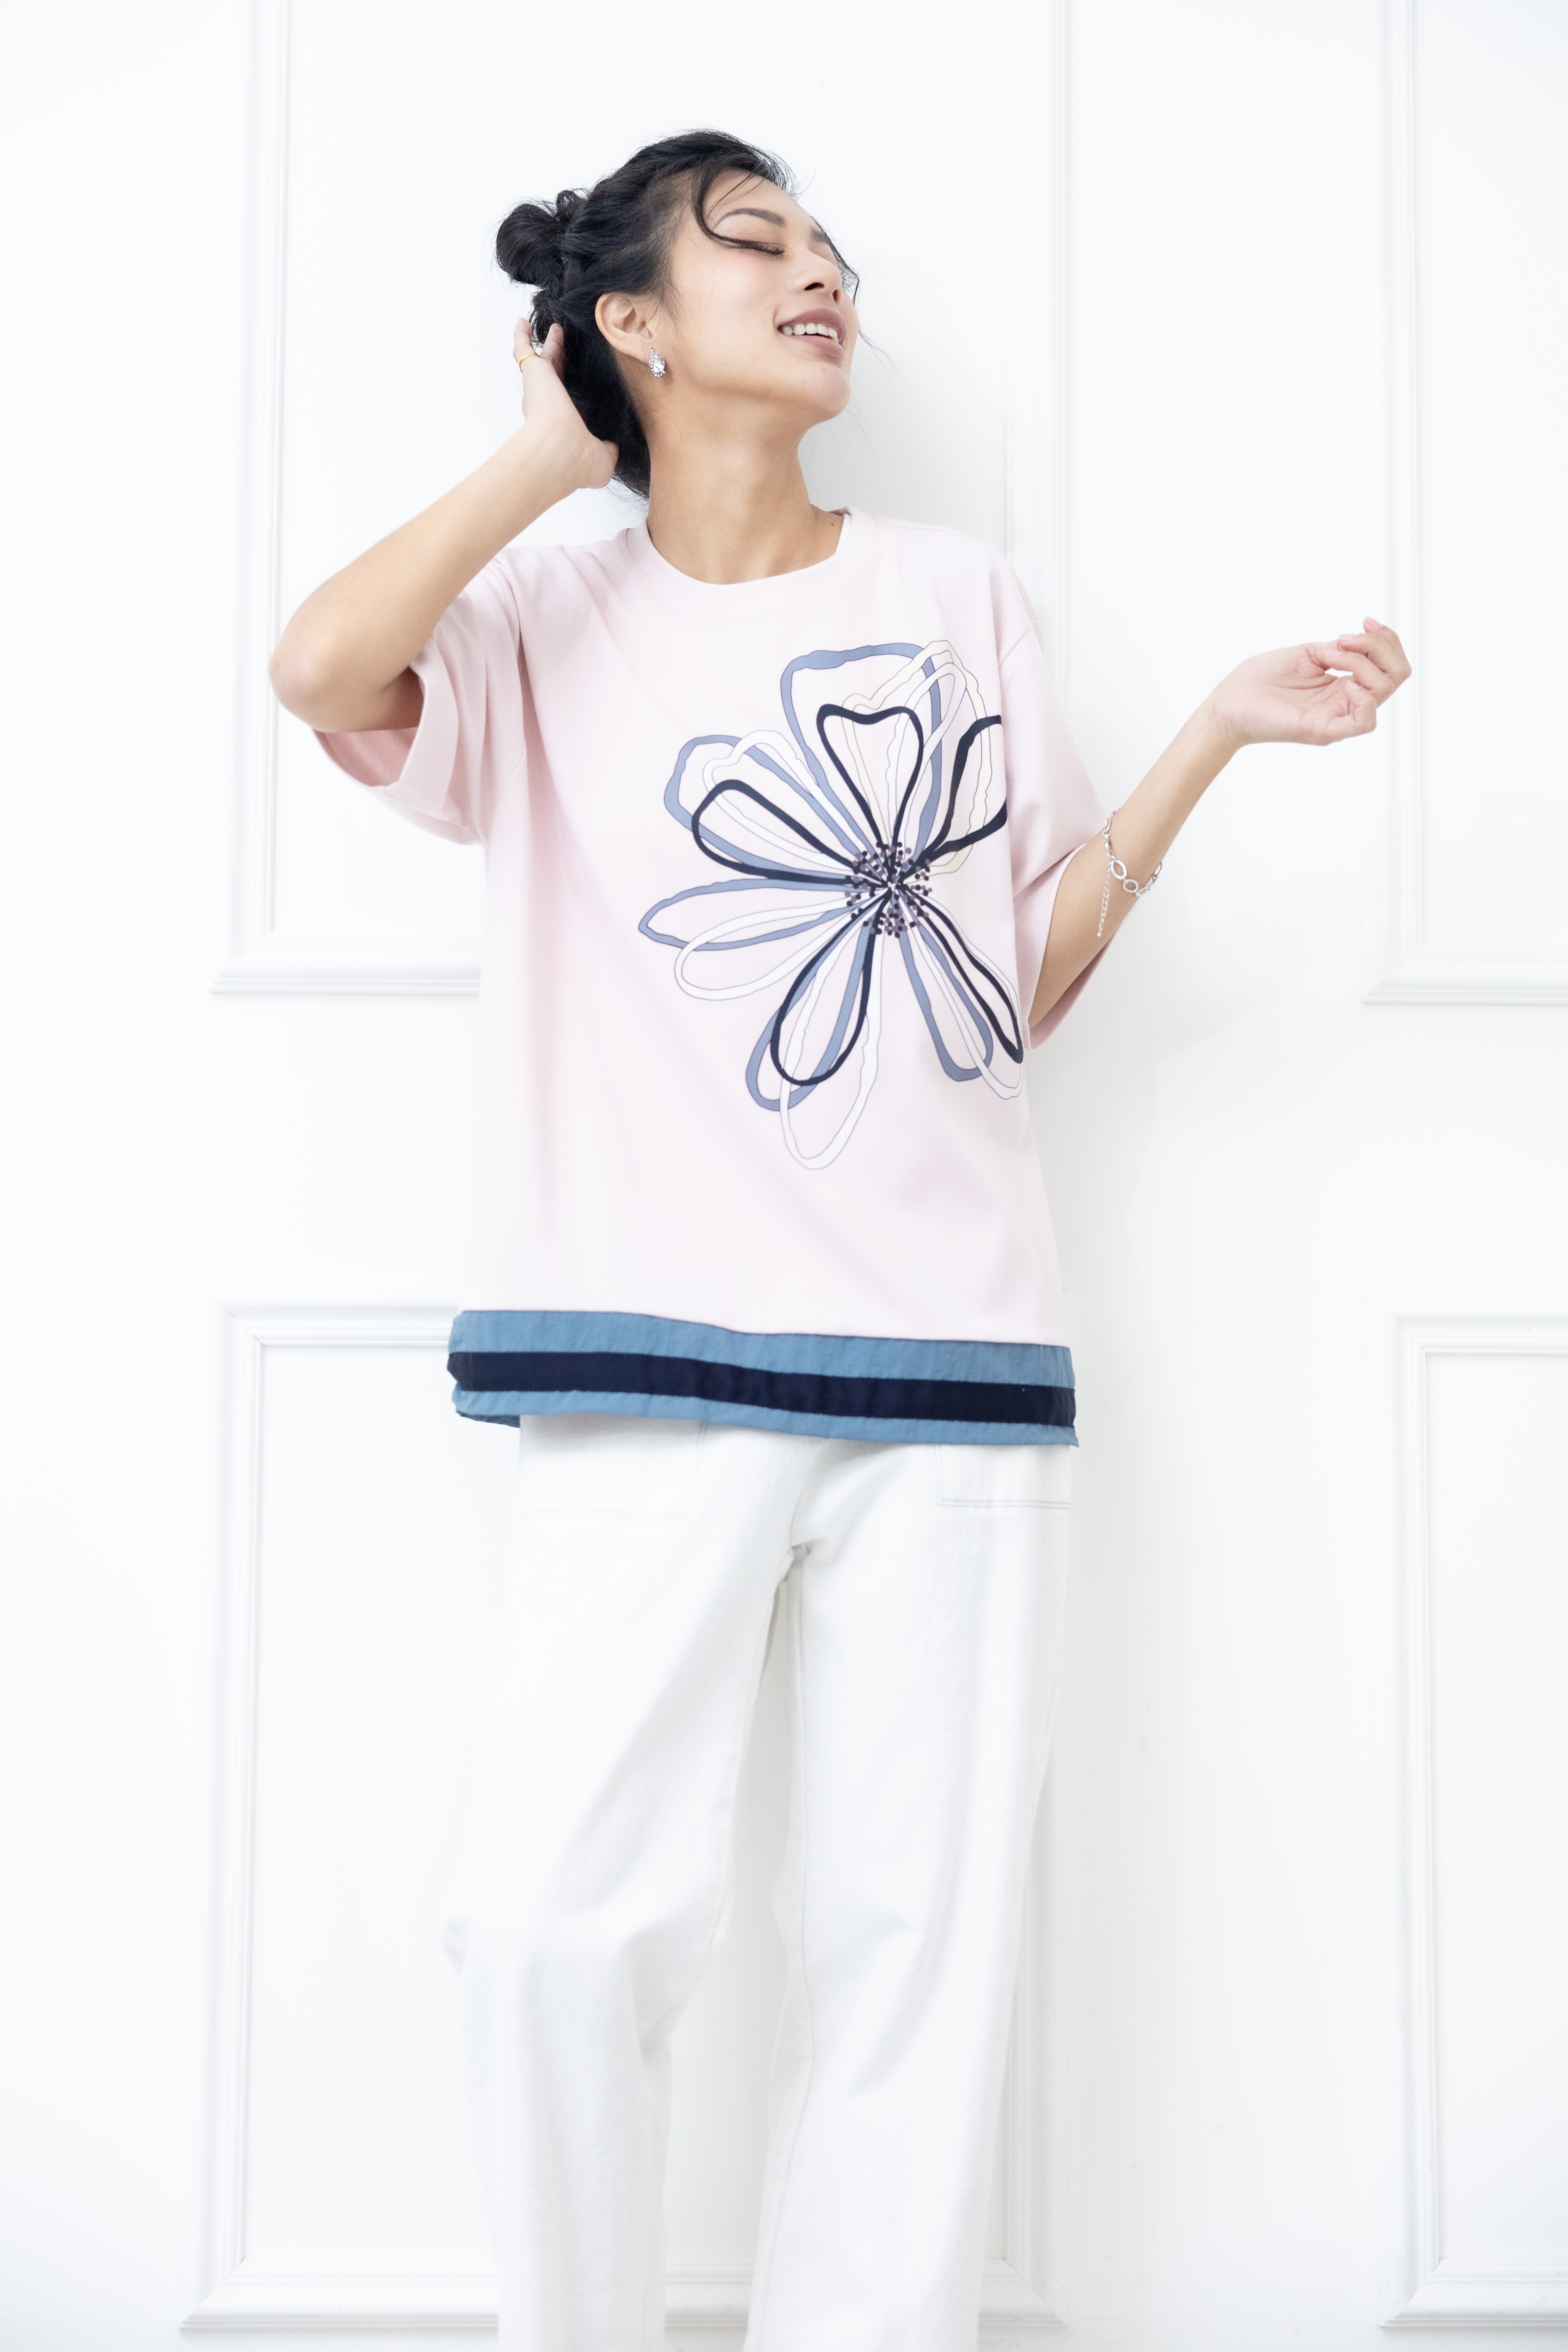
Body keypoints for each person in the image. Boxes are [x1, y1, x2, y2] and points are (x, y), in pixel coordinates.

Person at [269, 128, 1408, 2352]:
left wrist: (1210, 738)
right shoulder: (538, 619)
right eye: (756, 243)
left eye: (831, 251)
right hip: (642, 1358)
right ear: (626, 321)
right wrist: (551, 462)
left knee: (915, 1961)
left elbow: (1008, 980)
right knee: (550, 1931)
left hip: (951, 1358)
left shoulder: (954, 592)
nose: (822, 280)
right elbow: (322, 672)